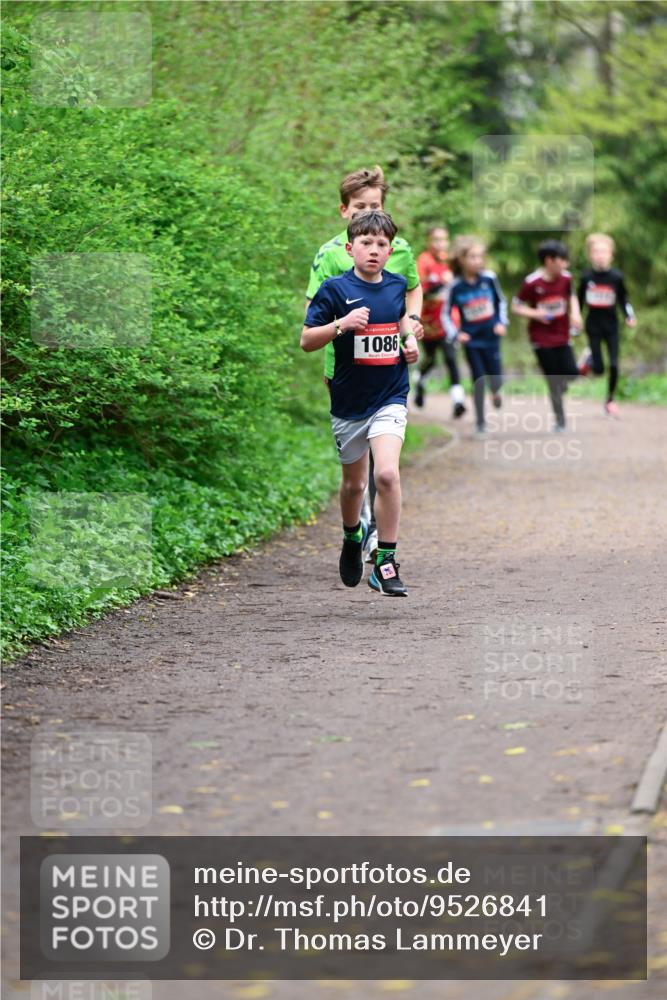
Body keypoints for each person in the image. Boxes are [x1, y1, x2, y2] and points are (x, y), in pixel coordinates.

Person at [305, 165, 423, 564]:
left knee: (385, 465)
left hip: (388, 372)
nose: (366, 213)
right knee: (356, 475)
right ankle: (358, 527)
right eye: (359, 208)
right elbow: (311, 319)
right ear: (345, 211)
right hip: (340, 364)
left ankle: (380, 544)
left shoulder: (398, 248)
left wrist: (412, 329)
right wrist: (340, 326)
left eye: (374, 206)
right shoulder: (329, 257)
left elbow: (409, 295)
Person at [512, 239, 582, 432]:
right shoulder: (532, 282)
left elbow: (572, 296)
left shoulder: (567, 278)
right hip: (541, 339)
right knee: (553, 380)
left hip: (562, 335)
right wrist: (537, 314)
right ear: (549, 261)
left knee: (572, 373)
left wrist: (575, 313)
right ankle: (560, 421)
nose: (565, 264)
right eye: (562, 260)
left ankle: (565, 381)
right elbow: (516, 306)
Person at [441, 236, 507, 436]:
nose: (478, 261)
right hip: (472, 341)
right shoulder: (455, 286)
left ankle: (496, 392)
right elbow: (445, 314)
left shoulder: (489, 279)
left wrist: (501, 323)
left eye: (480, 257)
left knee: (495, 378)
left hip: (491, 337)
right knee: (478, 379)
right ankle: (480, 422)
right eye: (472, 257)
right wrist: (456, 334)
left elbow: (501, 302)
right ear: (461, 260)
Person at [577, 233, 636, 418]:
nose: (600, 255)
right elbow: (578, 302)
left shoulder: (616, 277)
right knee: (600, 368)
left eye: (604, 251)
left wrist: (629, 316)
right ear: (590, 255)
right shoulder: (586, 277)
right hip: (593, 326)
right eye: (596, 251)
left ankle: (610, 400)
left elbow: (624, 299)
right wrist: (575, 321)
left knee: (615, 364)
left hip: (611, 327)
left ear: (611, 254)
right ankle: (589, 360)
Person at [414, 225, 466, 416]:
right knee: (431, 360)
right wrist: (440, 282)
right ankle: (419, 380)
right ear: (429, 241)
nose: (440, 244)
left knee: (451, 358)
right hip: (429, 322)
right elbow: (420, 289)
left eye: (444, 239)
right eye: (436, 239)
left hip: (449, 320)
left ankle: (458, 400)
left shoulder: (450, 262)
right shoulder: (423, 261)